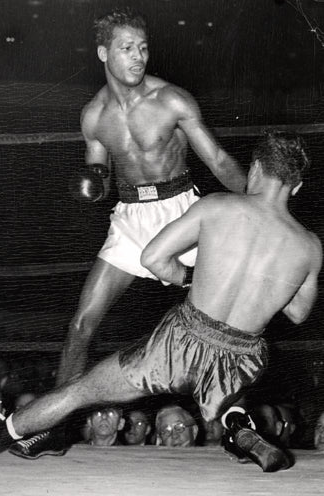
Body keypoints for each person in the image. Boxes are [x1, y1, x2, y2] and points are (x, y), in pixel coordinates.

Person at [0, 132, 321, 472]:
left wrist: (192, 277)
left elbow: (152, 258)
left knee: (79, 391)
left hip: (182, 341)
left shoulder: (219, 207)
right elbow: (299, 312)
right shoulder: (309, 246)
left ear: (255, 168)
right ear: (298, 186)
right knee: (225, 380)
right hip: (243, 354)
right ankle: (239, 427)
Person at [57, 8, 246, 389]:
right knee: (82, 323)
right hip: (129, 217)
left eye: (143, 48)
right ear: (103, 54)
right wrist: (93, 184)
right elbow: (102, 181)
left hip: (182, 213)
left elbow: (219, 161)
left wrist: (263, 203)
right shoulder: (93, 116)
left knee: (229, 326)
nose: (138, 56)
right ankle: (54, 424)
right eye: (127, 48)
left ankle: (236, 421)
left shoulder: (171, 100)